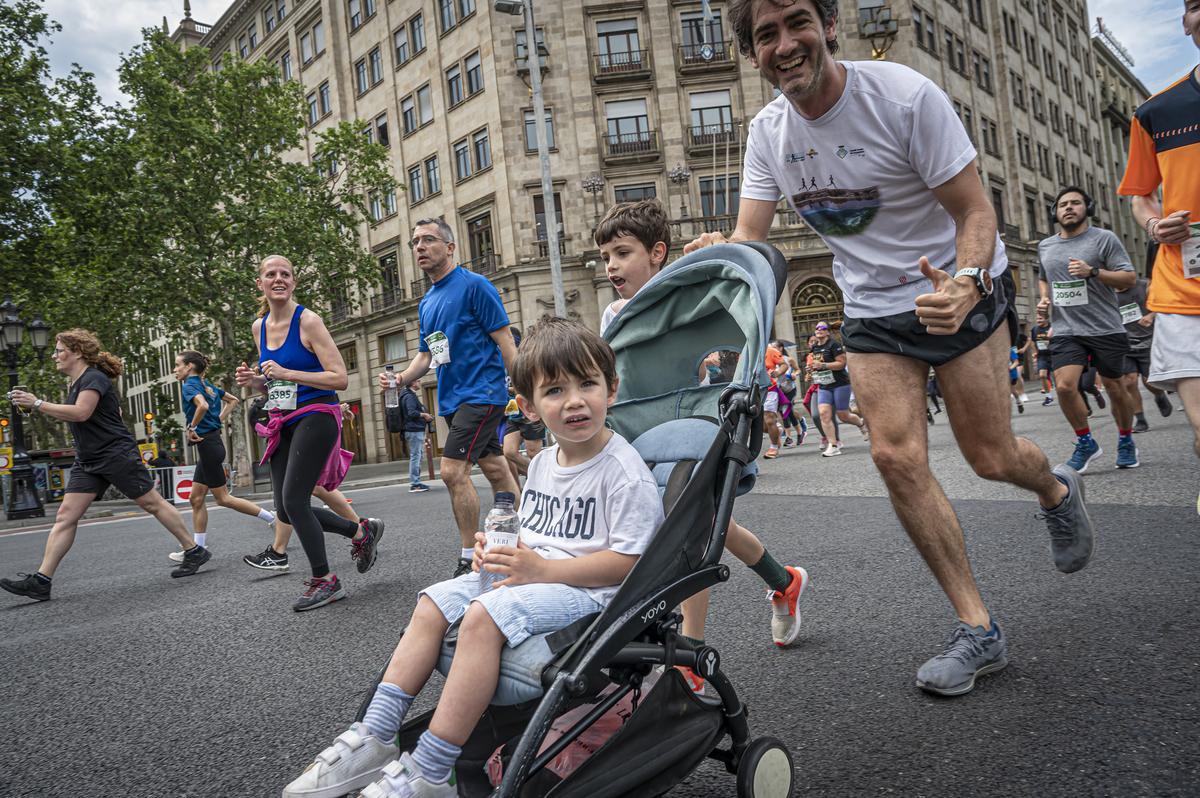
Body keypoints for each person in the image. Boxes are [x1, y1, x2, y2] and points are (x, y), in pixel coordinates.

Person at [686, 0, 1095, 696]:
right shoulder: (769, 132)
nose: (785, 45)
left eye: (797, 23)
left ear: (830, 25)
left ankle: (1055, 488)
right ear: (753, 52)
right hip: (873, 307)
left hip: (956, 289)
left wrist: (966, 280)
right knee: (893, 454)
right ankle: (978, 630)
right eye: (766, 35)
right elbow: (750, 237)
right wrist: (716, 255)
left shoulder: (904, 96)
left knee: (990, 456)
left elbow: (975, 211)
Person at [283, 318, 663, 798]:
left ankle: (432, 770)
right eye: (555, 390)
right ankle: (375, 736)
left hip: (592, 592)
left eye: (588, 384)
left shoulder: (623, 472)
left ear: (612, 388)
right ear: (527, 406)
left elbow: (631, 564)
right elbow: (534, 529)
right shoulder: (544, 462)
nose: (574, 401)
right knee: (432, 602)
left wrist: (543, 569)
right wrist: (495, 547)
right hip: (536, 578)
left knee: (482, 616)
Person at [597, 199, 809, 662]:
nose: (611, 265)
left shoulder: (696, 289)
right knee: (714, 524)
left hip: (697, 428)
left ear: (658, 252)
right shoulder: (614, 317)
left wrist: (721, 253)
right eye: (605, 256)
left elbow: (739, 343)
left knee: (688, 526)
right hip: (646, 435)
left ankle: (690, 653)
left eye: (622, 252)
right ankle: (784, 581)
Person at [2, 329, 210, 601]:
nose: (54, 356)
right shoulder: (76, 382)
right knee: (66, 515)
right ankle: (42, 580)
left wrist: (38, 403)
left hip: (114, 454)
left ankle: (193, 549)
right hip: (88, 459)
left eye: (59, 350)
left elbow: (81, 412)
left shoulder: (93, 378)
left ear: (76, 352)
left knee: (151, 503)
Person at [235, 255, 383, 611]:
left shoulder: (309, 321)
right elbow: (272, 384)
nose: (278, 279)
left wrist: (287, 372)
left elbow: (340, 378)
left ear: (294, 282)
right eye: (271, 274)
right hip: (284, 417)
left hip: (318, 413)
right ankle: (360, 532)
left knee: (296, 500)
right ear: (261, 284)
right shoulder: (260, 327)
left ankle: (325, 580)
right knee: (285, 507)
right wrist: (256, 381)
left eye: (285, 273)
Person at [378, 219, 520, 577]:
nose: (420, 247)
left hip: (482, 392)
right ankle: (521, 535)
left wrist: (525, 387)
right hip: (453, 399)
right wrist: (397, 380)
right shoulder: (427, 302)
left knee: (452, 471)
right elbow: (426, 356)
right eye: (415, 242)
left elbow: (505, 340)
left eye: (428, 239)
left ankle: (468, 557)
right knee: (496, 468)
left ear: (450, 247)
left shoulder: (475, 286)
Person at [1119, 2, 1200, 512]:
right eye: (1195, 4)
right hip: (1184, 287)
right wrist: (1152, 223)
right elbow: (1140, 194)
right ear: (1185, 22)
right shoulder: (1157, 111)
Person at [1037, 186, 1139, 471]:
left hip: (1105, 327)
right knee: (1065, 386)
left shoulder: (1104, 239)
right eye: (1062, 204)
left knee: (1115, 387)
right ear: (1054, 212)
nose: (1068, 208)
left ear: (1087, 208)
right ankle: (1085, 442)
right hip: (1066, 328)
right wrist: (1044, 298)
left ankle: (1126, 439)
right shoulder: (1045, 246)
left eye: (1075, 203)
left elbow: (1128, 279)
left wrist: (1093, 271)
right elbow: (1043, 277)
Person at [167, 350, 276, 562]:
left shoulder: (190, 385)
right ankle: (197, 549)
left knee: (223, 498)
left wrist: (192, 427)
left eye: (178, 365)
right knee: (196, 499)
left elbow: (203, 405)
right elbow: (233, 400)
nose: (175, 369)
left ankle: (272, 519)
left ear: (189, 367)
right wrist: (217, 420)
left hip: (208, 446)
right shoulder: (207, 385)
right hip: (211, 444)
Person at [1115, 274, 1174, 432]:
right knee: (1129, 381)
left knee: (1150, 381)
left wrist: (1151, 315)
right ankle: (1140, 419)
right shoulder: (1107, 293)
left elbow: (1164, 303)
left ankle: (1159, 395)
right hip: (1124, 344)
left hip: (1148, 341)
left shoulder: (1144, 286)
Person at [809, 321, 867, 456]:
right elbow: (817, 364)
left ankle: (861, 423)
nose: (819, 330)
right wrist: (812, 369)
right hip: (824, 385)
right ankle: (833, 445)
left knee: (843, 415)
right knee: (824, 414)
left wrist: (823, 366)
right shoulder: (814, 348)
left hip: (840, 384)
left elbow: (841, 364)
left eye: (822, 328)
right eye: (817, 327)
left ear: (828, 332)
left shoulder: (834, 345)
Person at [398, 382, 434, 493]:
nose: (420, 382)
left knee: (417, 455)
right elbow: (412, 413)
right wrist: (424, 415)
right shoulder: (409, 396)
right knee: (416, 456)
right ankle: (415, 484)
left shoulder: (407, 395)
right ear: (413, 383)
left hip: (413, 430)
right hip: (414, 430)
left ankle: (416, 482)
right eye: (418, 381)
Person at [1030, 320, 1055, 404]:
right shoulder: (1035, 329)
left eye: (1040, 318)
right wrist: (1035, 352)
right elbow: (1033, 342)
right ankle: (1048, 397)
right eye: (1037, 318)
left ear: (1046, 319)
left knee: (1057, 378)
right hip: (1042, 356)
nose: (1038, 320)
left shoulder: (1053, 327)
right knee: (1042, 375)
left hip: (1054, 355)